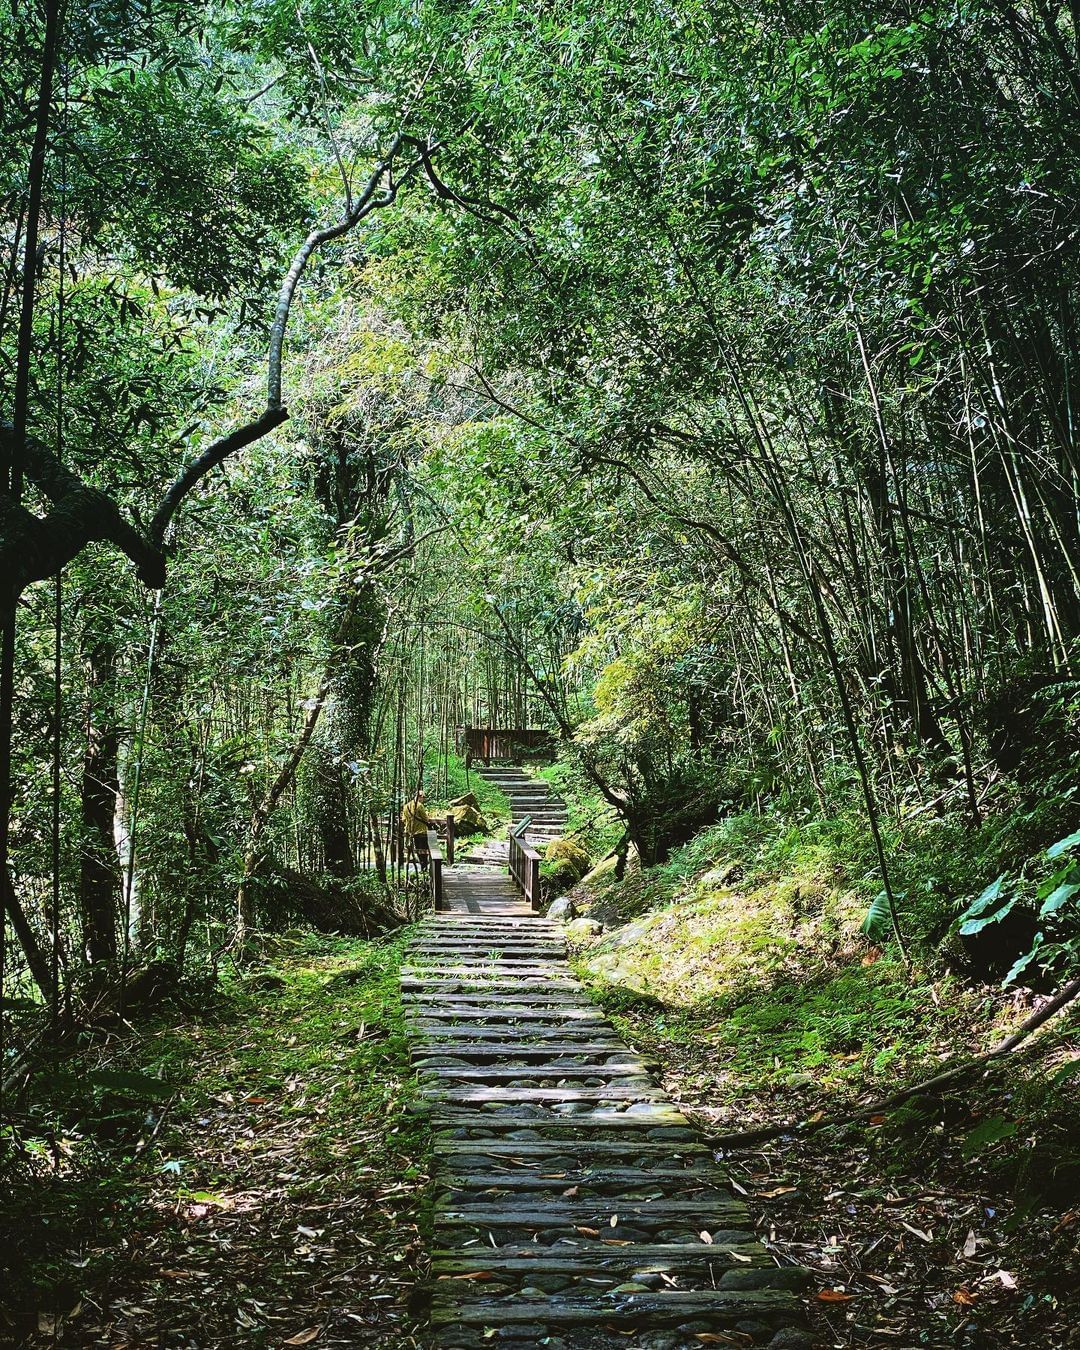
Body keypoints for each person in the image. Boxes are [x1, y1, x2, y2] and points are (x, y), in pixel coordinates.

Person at [402, 789, 433, 869]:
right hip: (421, 831)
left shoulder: (406, 806)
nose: (424, 799)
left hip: (411, 831)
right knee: (424, 850)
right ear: (420, 797)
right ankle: (424, 866)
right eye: (423, 797)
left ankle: (422, 865)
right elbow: (426, 819)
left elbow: (403, 819)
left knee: (418, 849)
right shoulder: (419, 805)